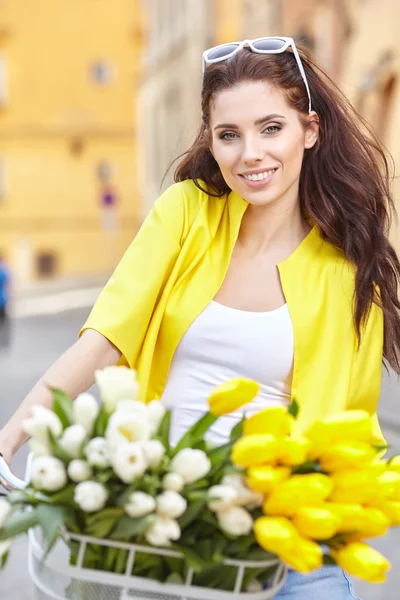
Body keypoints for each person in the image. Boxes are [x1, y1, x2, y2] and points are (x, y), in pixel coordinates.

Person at [1, 37, 400, 598]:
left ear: (309, 130)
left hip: (285, 551)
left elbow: (351, 426)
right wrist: (11, 433)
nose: (250, 154)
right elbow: (106, 337)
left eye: (271, 128)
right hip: (166, 538)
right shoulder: (186, 213)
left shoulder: (347, 268)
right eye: (228, 135)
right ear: (211, 143)